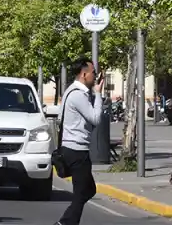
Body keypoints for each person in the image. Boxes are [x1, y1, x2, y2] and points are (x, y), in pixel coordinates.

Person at [58, 58, 104, 225]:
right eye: (93, 73)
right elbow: (95, 118)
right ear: (84, 74)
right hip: (76, 151)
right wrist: (98, 94)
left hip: (74, 149)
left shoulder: (73, 91)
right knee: (81, 193)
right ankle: (65, 223)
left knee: (88, 190)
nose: (95, 77)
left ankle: (67, 222)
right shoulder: (77, 95)